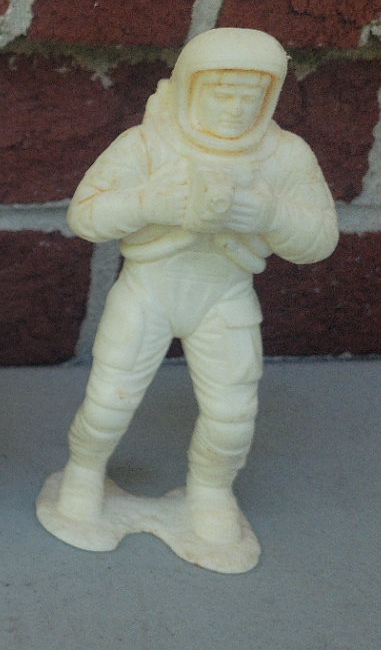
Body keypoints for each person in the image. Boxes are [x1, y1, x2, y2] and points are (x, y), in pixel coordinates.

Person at [53, 27, 338, 544]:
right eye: (221, 94)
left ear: (270, 97)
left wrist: (272, 214)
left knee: (232, 414)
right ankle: (84, 471)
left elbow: (319, 239)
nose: (234, 109)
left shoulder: (285, 156)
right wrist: (147, 203)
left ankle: (210, 491)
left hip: (224, 295)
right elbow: (85, 216)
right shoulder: (146, 144)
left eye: (249, 97)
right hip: (148, 290)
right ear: (188, 88)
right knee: (109, 400)